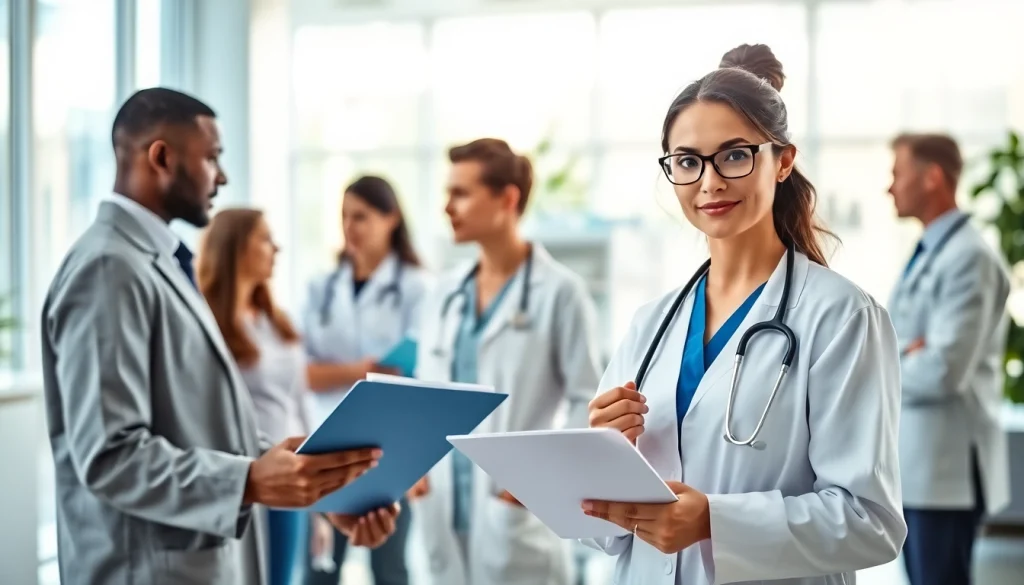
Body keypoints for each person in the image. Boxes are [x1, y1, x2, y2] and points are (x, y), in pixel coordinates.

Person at [39, 87, 397, 585]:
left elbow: (202, 423)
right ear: (161, 157)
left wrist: (315, 488)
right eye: (211, 158)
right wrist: (250, 480)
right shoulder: (107, 269)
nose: (222, 176)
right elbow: (110, 456)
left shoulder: (160, 263)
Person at [578, 45, 907, 585]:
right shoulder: (651, 324)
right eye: (687, 161)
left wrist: (714, 521)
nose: (709, 182)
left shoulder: (842, 317)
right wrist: (602, 453)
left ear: (782, 161)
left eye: (734, 155)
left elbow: (869, 522)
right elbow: (599, 528)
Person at [410, 137, 604, 585]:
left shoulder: (560, 292)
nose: (447, 207)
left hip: (514, 512)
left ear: (507, 198)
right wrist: (415, 469)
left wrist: (533, 484)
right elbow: (422, 394)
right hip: (441, 502)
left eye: (460, 193)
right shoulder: (445, 292)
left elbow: (585, 400)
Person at [886, 132, 1011, 585]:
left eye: (898, 174)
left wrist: (885, 359)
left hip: (948, 471)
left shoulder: (969, 257)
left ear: (933, 177)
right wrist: (905, 350)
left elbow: (941, 372)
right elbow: (903, 344)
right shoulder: (930, 250)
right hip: (922, 468)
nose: (890, 187)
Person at [300, 175, 429, 585]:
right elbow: (301, 375)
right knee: (320, 568)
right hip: (326, 441)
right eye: (344, 217)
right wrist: (360, 370)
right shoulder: (321, 288)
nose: (350, 227)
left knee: (390, 567)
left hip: (391, 447)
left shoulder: (418, 287)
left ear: (391, 219)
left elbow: (425, 375)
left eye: (361, 217)